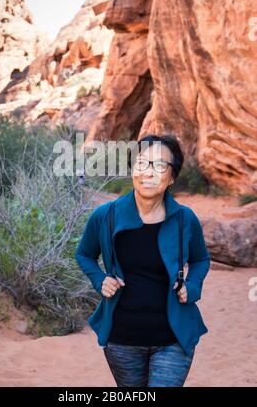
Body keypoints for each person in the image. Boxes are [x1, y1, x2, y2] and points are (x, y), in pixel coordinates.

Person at [75, 134, 210, 387]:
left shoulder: (184, 219)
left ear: (172, 177)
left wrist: (192, 287)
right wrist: (99, 280)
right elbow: (84, 254)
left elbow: (201, 259)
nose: (148, 172)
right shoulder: (106, 215)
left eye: (159, 165)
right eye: (142, 163)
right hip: (122, 339)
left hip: (173, 338)